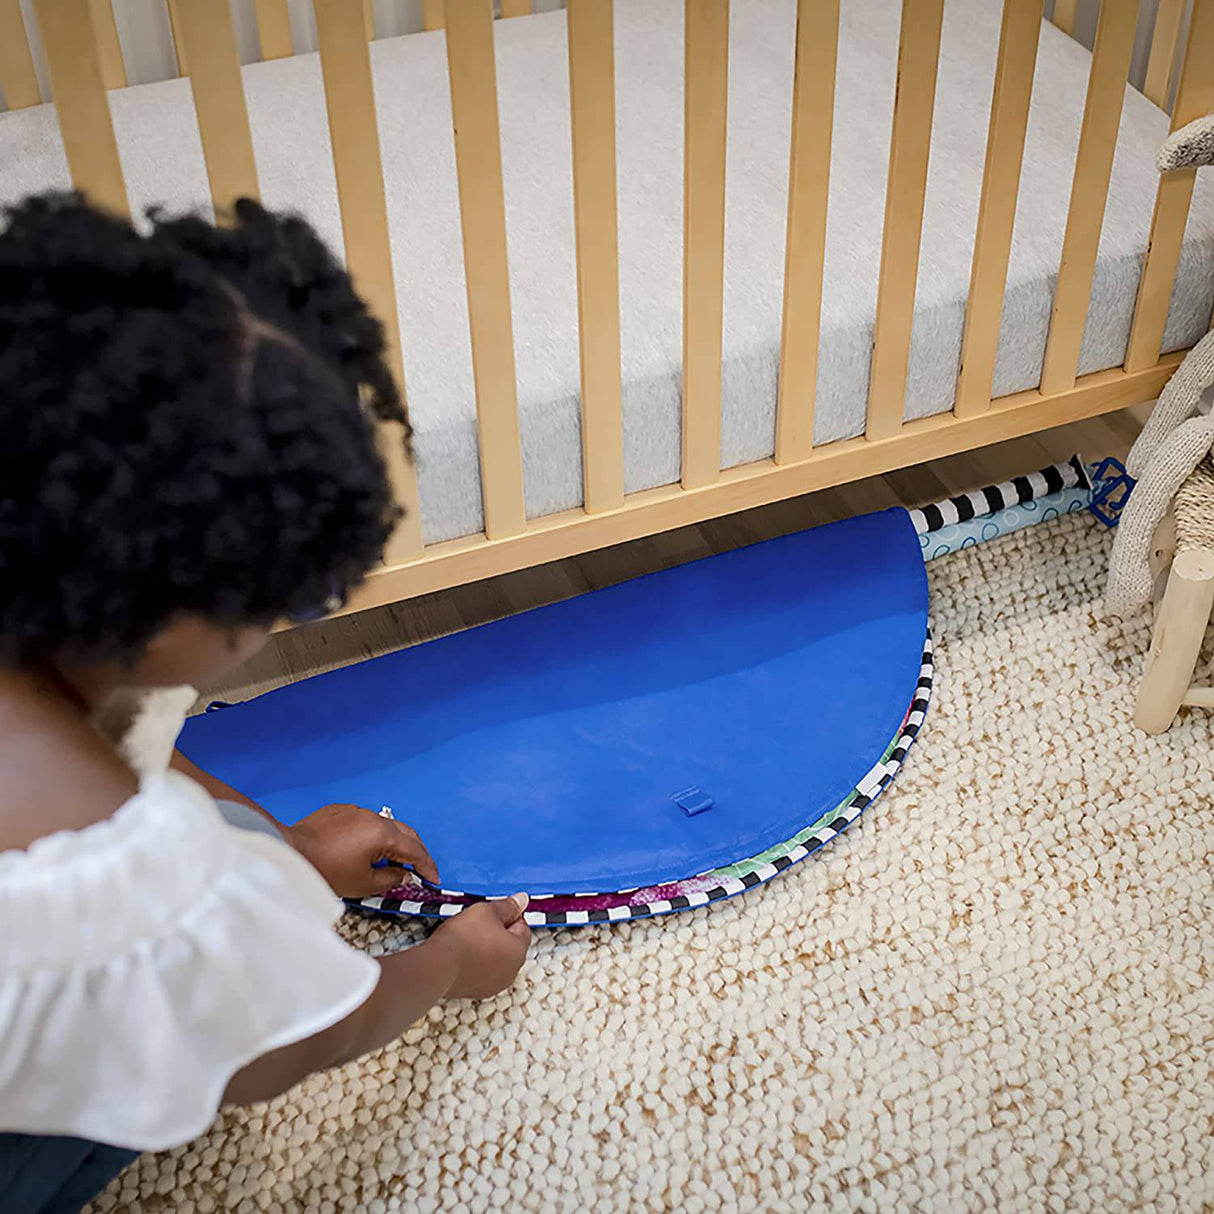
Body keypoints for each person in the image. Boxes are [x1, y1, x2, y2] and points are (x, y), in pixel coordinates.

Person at [0, 193, 532, 1213]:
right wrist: (446, 963)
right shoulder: (119, 869)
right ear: (173, 612)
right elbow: (273, 1041)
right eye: (282, 598)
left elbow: (129, 736)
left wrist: (280, 851)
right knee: (158, 1062)